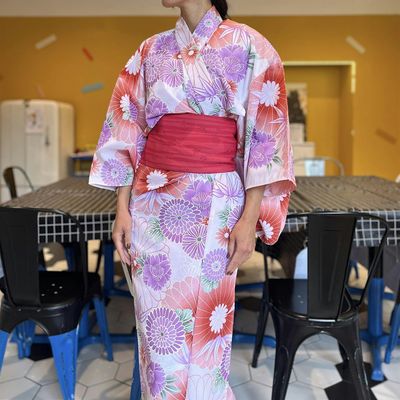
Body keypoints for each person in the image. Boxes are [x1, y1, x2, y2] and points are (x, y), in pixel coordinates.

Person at [89, 0, 296, 398]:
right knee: (155, 326)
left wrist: (249, 219)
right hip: (151, 202)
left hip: (216, 203)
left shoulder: (250, 45)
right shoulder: (150, 50)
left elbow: (265, 137)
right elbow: (126, 126)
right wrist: (122, 209)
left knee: (207, 329)